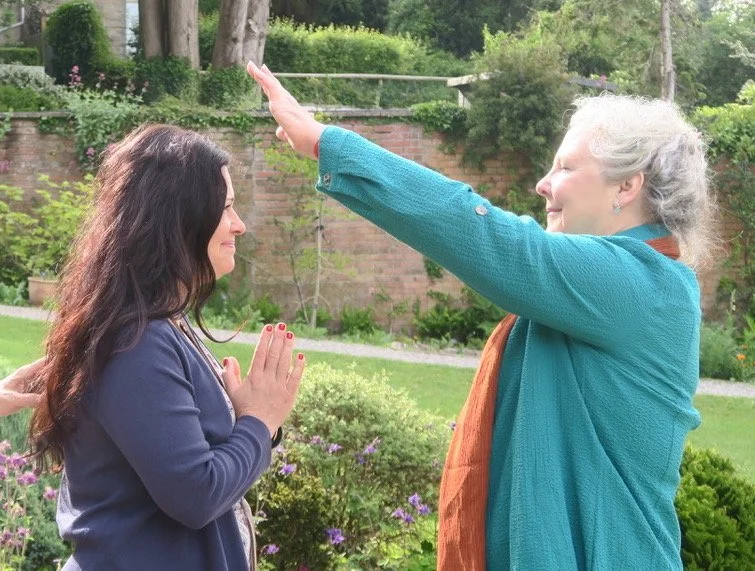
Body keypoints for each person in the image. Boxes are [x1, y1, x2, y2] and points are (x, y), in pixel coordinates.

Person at [246, 62, 714, 570]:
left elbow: (496, 240)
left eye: (565, 168)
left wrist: (326, 143)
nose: (543, 183)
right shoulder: (599, 292)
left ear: (626, 187)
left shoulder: (647, 285)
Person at [25, 124, 305, 570]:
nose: (239, 224)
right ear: (180, 219)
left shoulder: (159, 324)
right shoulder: (137, 342)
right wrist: (259, 421)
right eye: (226, 207)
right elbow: (196, 495)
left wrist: (250, 422)